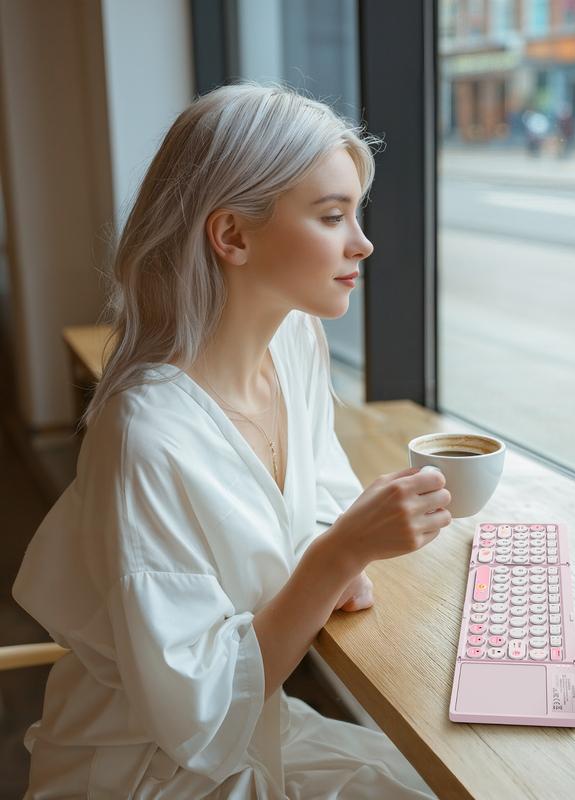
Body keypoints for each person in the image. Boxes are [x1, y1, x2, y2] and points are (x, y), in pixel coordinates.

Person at [12, 82, 451, 798]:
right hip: (151, 768)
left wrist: (339, 554)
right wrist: (340, 555)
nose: (362, 242)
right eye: (332, 216)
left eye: (356, 213)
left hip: (257, 726)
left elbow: (319, 503)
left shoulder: (295, 342)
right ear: (232, 236)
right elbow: (200, 713)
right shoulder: (145, 435)